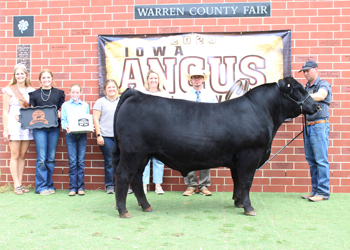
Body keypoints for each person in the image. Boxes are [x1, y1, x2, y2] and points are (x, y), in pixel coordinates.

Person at [299, 60, 332, 202]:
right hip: (308, 126)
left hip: (319, 126)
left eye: (308, 70)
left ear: (316, 69)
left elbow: (321, 96)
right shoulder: (306, 87)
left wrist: (303, 97)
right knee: (312, 161)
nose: (306, 73)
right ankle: (315, 191)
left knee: (321, 160)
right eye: (304, 71)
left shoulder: (323, 85)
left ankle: (323, 192)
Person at [29, 69, 65, 195]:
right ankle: (40, 186)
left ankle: (49, 185)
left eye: (48, 77)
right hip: (39, 129)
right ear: (40, 80)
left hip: (54, 128)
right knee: (42, 158)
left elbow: (62, 110)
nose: (46, 80)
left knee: (50, 158)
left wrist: (61, 114)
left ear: (52, 78)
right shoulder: (34, 94)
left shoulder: (59, 93)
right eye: (43, 78)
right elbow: (31, 112)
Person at [182, 68, 217, 196]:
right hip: (189, 131)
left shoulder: (210, 96)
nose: (197, 79)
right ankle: (190, 186)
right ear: (190, 80)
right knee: (189, 157)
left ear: (203, 79)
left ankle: (204, 186)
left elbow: (216, 114)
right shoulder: (184, 96)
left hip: (206, 131)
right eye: (194, 77)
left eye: (199, 77)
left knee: (206, 157)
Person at [2, 64, 35, 195]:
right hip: (13, 125)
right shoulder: (9, 90)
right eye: (17, 74)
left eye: (22, 73)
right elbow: (5, 111)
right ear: (14, 76)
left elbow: (33, 109)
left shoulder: (31, 90)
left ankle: (20, 183)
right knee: (15, 155)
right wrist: (5, 129)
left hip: (26, 125)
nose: (20, 76)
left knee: (22, 155)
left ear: (26, 75)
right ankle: (16, 184)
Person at [139, 69, 171, 195]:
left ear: (159, 80)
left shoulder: (165, 95)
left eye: (155, 78)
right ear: (147, 80)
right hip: (145, 131)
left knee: (159, 159)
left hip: (160, 131)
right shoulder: (142, 94)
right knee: (144, 159)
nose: (153, 80)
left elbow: (169, 113)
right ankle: (144, 185)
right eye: (151, 78)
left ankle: (158, 185)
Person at [61, 84, 90, 196]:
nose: (75, 94)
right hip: (71, 135)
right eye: (73, 92)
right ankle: (72, 187)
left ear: (80, 93)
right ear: (69, 92)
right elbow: (63, 120)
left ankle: (81, 187)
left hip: (82, 135)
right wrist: (66, 127)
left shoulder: (85, 105)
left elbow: (86, 119)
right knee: (73, 162)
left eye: (77, 92)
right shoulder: (65, 105)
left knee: (80, 162)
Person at [93, 79, 120, 194]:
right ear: (105, 90)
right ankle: (109, 185)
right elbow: (95, 119)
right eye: (109, 87)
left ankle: (122, 185)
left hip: (120, 137)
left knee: (122, 161)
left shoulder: (121, 101)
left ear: (117, 89)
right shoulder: (100, 102)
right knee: (109, 161)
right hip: (106, 136)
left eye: (113, 87)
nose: (111, 89)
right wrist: (98, 135)